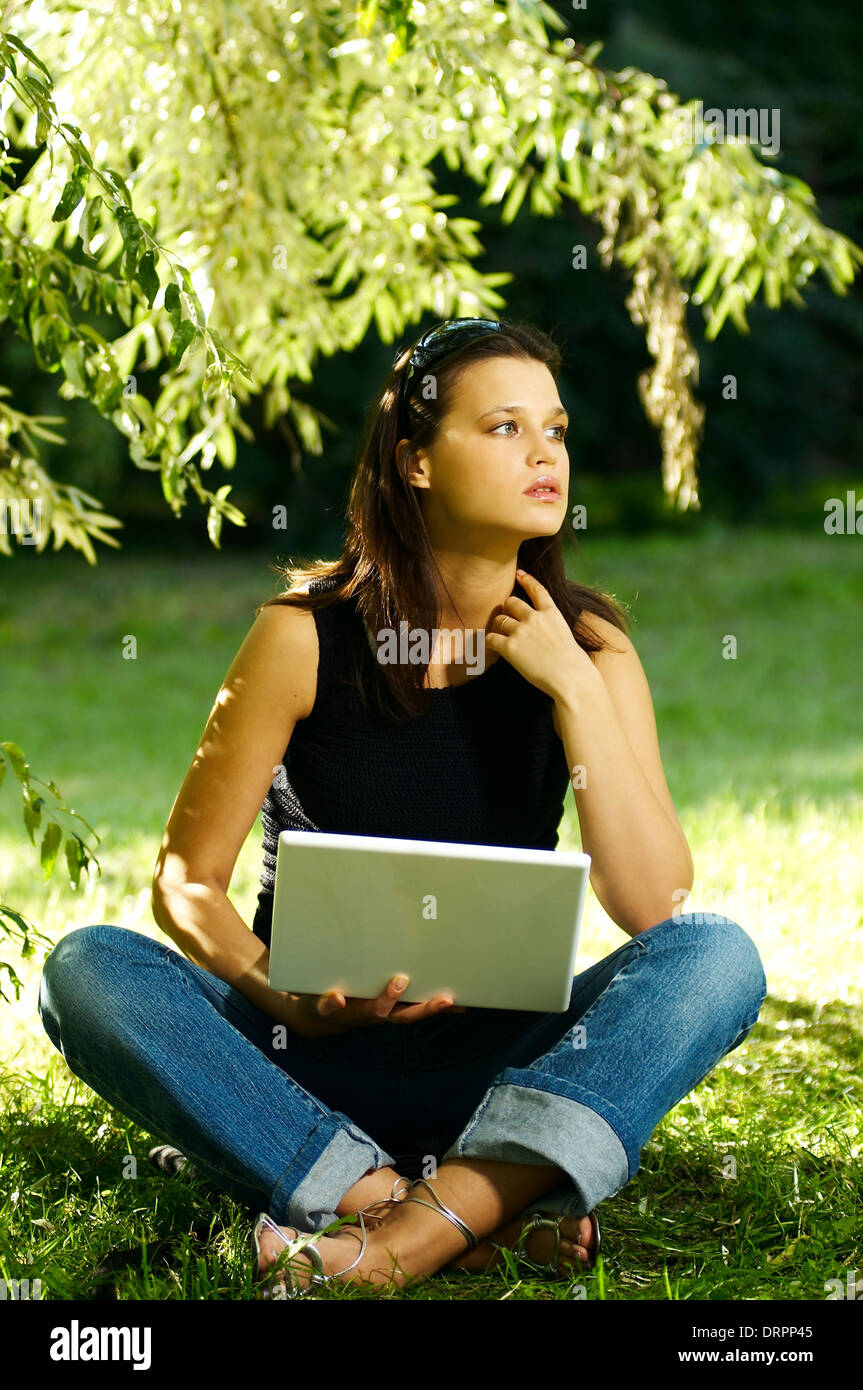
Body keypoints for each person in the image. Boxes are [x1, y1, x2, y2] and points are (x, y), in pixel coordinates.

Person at [39, 317, 767, 1298]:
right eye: (503, 428)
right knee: (89, 968)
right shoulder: (301, 637)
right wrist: (282, 998)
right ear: (416, 460)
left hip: (500, 1071)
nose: (543, 452)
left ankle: (389, 1229)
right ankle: (453, 1212)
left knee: (716, 955)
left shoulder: (590, 649)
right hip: (304, 1057)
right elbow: (186, 883)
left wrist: (576, 692)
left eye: (552, 429)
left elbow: (650, 903)